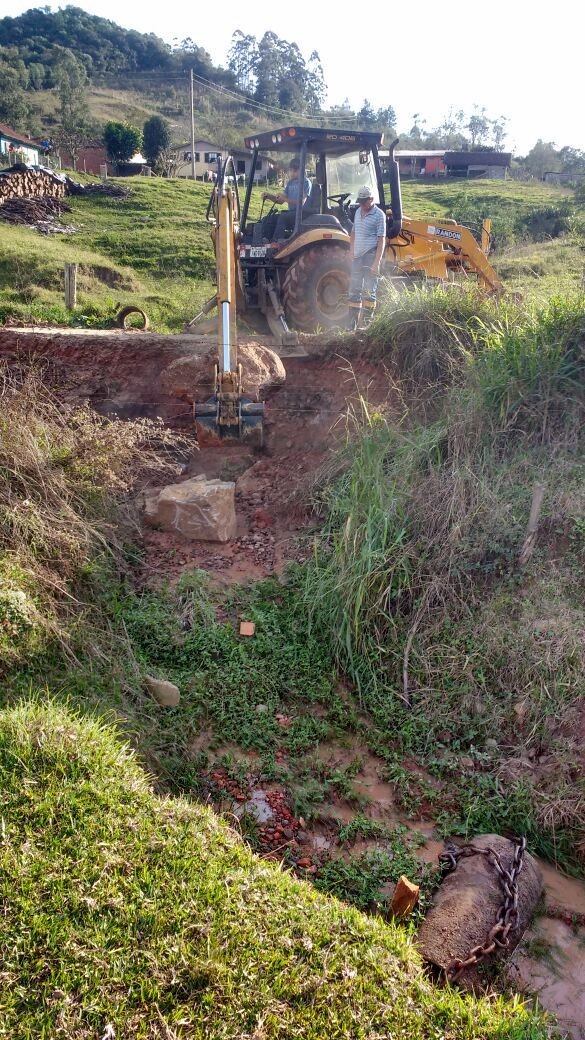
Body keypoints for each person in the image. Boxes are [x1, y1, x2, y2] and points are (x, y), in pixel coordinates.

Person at [347, 185, 386, 329]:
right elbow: (354, 233)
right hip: (357, 257)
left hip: (370, 256)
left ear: (371, 199)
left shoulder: (379, 215)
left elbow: (381, 240)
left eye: (364, 202)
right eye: (360, 202)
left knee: (370, 291)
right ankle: (352, 325)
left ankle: (367, 325)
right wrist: (351, 251)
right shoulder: (358, 212)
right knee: (354, 290)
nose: (362, 205)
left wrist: (376, 263)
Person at [261, 157, 311, 243]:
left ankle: (276, 242)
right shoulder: (290, 183)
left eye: (293, 171)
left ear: (300, 170)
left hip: (303, 213)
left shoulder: (306, 183)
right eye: (291, 170)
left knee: (283, 217)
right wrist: (269, 196)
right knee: (268, 219)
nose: (291, 173)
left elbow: (301, 202)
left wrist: (284, 198)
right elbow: (281, 201)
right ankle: (266, 241)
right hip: (292, 213)